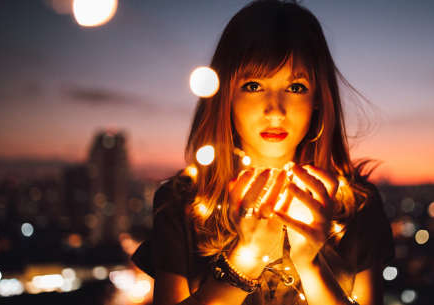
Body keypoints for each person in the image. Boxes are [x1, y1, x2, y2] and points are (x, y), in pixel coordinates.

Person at [132, 1, 394, 304]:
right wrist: (245, 259)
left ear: (319, 98)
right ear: (226, 95)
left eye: (295, 87)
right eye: (254, 85)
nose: (275, 112)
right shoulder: (183, 204)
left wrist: (311, 265)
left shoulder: (357, 207)